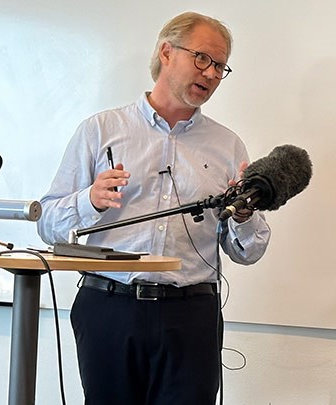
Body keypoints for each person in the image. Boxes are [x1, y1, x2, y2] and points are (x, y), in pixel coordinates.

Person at [37, 12, 270, 404]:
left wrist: (244, 216)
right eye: (202, 58)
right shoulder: (101, 130)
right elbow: (47, 224)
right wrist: (89, 200)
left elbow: (250, 251)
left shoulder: (228, 146)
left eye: (220, 66)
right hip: (108, 307)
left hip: (191, 313)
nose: (211, 74)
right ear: (166, 51)